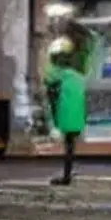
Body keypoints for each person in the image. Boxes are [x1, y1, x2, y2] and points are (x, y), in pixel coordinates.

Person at [43, 32, 88, 186]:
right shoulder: (77, 75)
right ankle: (67, 173)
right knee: (70, 146)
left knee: (68, 146)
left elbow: (48, 80)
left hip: (65, 116)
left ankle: (66, 176)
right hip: (77, 117)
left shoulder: (59, 75)